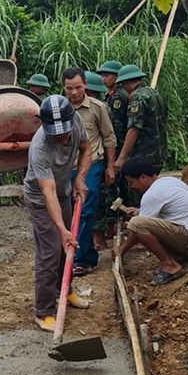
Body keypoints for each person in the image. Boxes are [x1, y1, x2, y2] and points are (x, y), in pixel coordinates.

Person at [24, 95, 92, 332]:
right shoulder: (40, 146)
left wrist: (80, 179)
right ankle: (44, 311)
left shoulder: (76, 122)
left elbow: (86, 148)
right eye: (56, 133)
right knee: (51, 251)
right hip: (41, 199)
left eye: (64, 132)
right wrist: (62, 230)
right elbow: (47, 191)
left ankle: (65, 290)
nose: (62, 137)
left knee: (68, 248)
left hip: (63, 191)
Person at [115, 157, 188, 285]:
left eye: (132, 182)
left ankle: (170, 266)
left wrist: (121, 250)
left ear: (143, 177)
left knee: (136, 223)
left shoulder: (151, 195)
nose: (132, 187)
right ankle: (177, 257)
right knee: (139, 220)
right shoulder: (168, 181)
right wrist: (139, 211)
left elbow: (137, 228)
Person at [63, 68, 116, 276]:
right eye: (69, 88)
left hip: (92, 164)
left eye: (78, 87)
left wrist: (110, 166)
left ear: (85, 84)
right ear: (64, 88)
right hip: (66, 167)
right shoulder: (60, 108)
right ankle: (83, 254)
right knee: (67, 212)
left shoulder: (97, 108)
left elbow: (109, 137)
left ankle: (81, 259)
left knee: (84, 211)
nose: (74, 92)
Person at [113, 64, 168, 178]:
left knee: (139, 190)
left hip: (143, 155)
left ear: (126, 82)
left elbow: (134, 128)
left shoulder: (137, 97)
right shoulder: (155, 93)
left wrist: (122, 156)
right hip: (159, 154)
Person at [94, 60, 127, 249]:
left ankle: (111, 227)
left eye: (107, 75)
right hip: (115, 147)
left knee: (110, 188)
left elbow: (112, 129)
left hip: (114, 147)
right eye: (102, 75)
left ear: (117, 77)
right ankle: (111, 227)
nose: (104, 78)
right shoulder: (112, 96)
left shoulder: (116, 98)